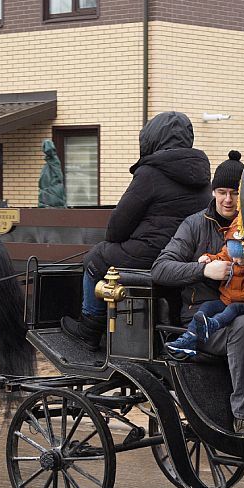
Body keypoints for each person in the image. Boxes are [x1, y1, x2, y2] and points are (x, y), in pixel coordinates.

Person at [152, 151, 244, 436]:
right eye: (222, 192)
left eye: (235, 193)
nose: (227, 200)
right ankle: (243, 416)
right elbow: (160, 269)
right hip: (203, 320)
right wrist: (203, 271)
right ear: (213, 192)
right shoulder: (195, 224)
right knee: (243, 326)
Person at [61, 112, 211, 349]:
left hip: (149, 255)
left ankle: (89, 328)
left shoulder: (150, 173)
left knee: (95, 258)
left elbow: (116, 229)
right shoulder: (202, 174)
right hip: (184, 257)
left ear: (153, 138)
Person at [164, 218, 244, 359]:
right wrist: (207, 260)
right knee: (208, 305)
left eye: (243, 259)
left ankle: (214, 324)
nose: (238, 262)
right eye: (235, 258)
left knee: (234, 309)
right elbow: (220, 257)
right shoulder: (229, 252)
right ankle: (189, 338)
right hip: (227, 299)